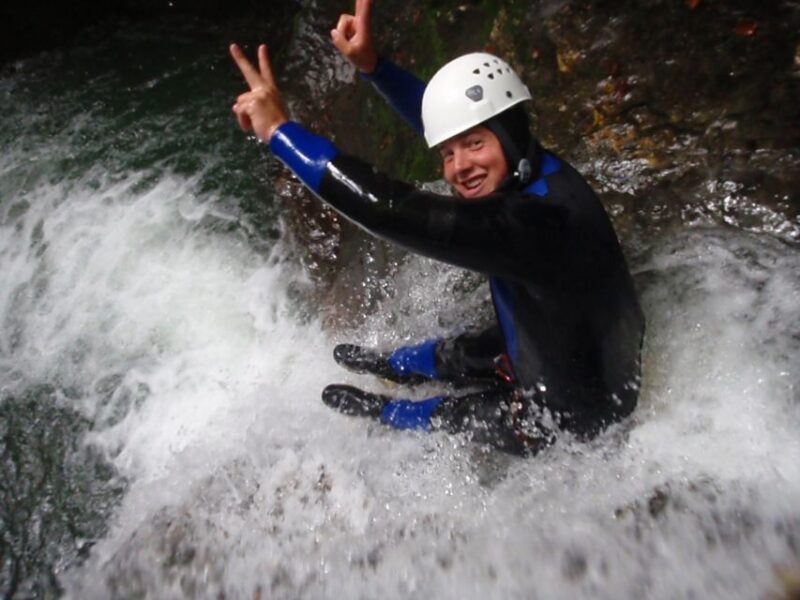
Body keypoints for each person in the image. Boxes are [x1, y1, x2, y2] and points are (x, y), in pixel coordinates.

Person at [229, 0, 645, 456]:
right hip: (579, 349)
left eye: (474, 145)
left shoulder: (532, 226)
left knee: (469, 416)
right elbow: (456, 124)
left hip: (582, 418)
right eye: (448, 153)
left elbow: (383, 208)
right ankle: (395, 366)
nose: (459, 166)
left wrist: (279, 133)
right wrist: (374, 68)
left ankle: (389, 412)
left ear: (506, 136)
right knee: (474, 347)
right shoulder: (541, 173)